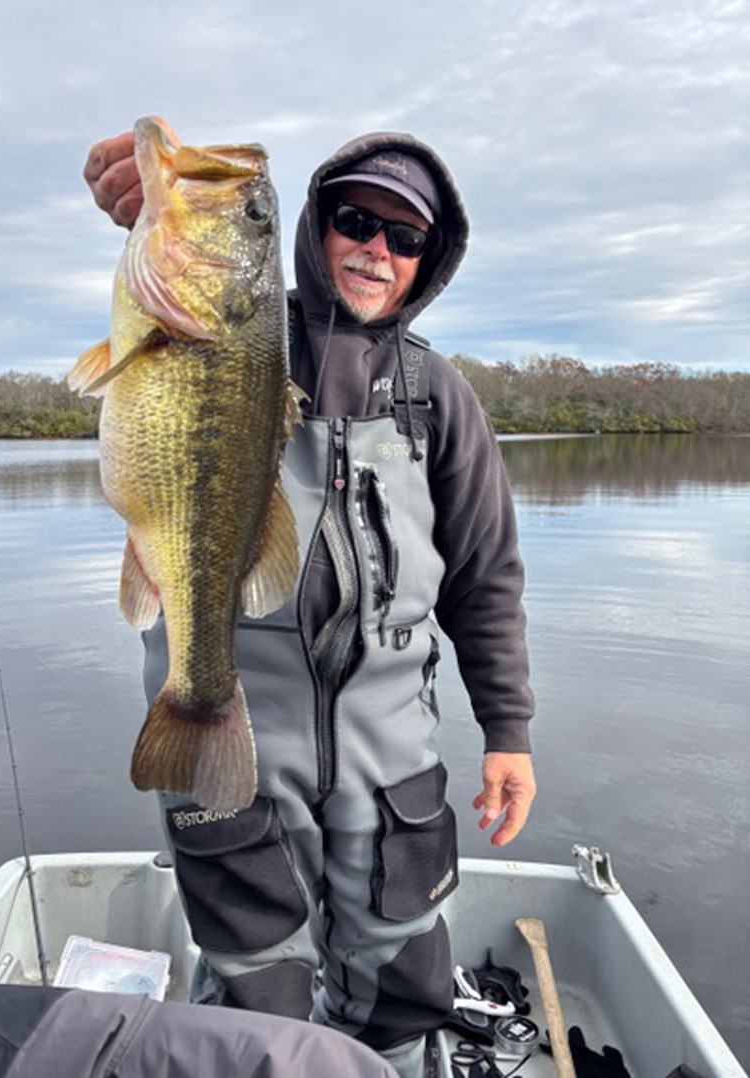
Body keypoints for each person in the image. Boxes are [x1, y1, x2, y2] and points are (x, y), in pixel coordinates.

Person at [84, 128, 537, 1078]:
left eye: (404, 237)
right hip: (236, 731)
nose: (376, 248)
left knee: (405, 978)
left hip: (393, 750)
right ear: (316, 227)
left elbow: (486, 577)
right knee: (255, 988)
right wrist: (152, 210)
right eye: (356, 220)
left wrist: (508, 731)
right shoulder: (245, 333)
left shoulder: (438, 396)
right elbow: (186, 302)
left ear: (429, 262)